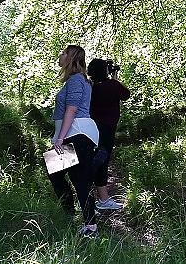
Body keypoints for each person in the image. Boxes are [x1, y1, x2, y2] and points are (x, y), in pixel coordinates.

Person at [49, 45, 100, 238]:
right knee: (55, 172)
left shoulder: (76, 80)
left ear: (71, 58)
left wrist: (60, 138)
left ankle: (90, 227)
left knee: (80, 180)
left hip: (77, 134)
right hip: (75, 133)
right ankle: (71, 215)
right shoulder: (76, 80)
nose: (60, 55)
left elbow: (72, 109)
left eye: (63, 53)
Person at [87, 58, 131, 211]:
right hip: (106, 129)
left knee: (95, 158)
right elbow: (125, 95)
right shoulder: (112, 85)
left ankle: (97, 196)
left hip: (90, 128)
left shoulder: (89, 86)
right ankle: (102, 199)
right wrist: (115, 79)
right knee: (101, 161)